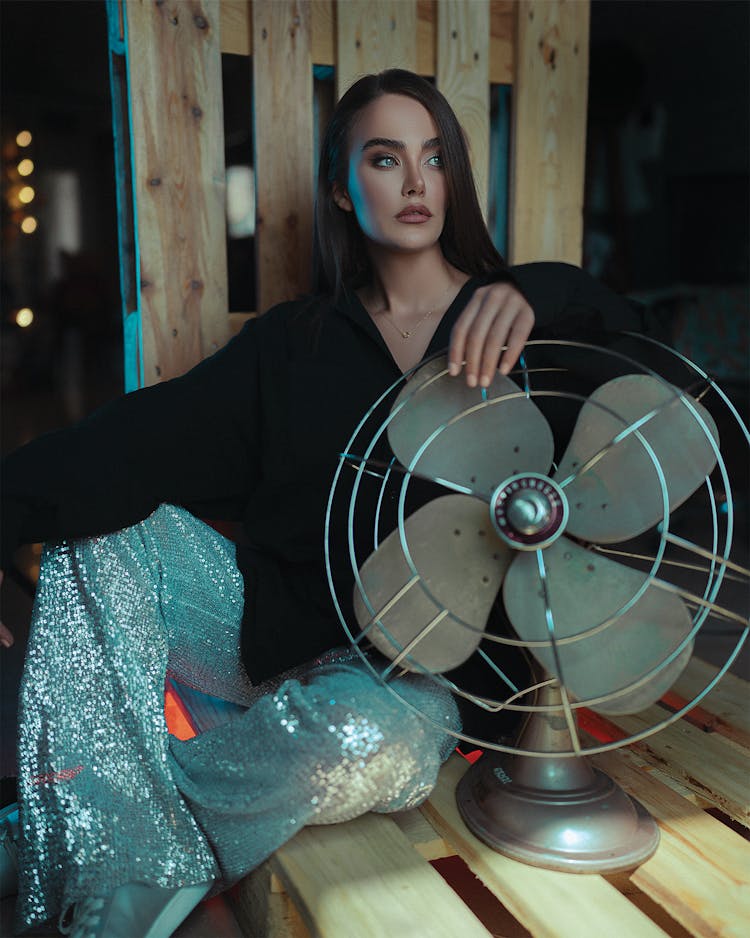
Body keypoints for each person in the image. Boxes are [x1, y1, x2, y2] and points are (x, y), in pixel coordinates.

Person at [0, 69, 640, 937]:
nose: (415, 183)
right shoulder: (292, 345)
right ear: (343, 188)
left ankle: (88, 841)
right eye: (385, 158)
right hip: (268, 638)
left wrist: (542, 287)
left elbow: (656, 384)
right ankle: (112, 851)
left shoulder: (530, 326)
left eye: (434, 158)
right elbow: (126, 443)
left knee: (361, 734)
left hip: (412, 688)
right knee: (98, 533)